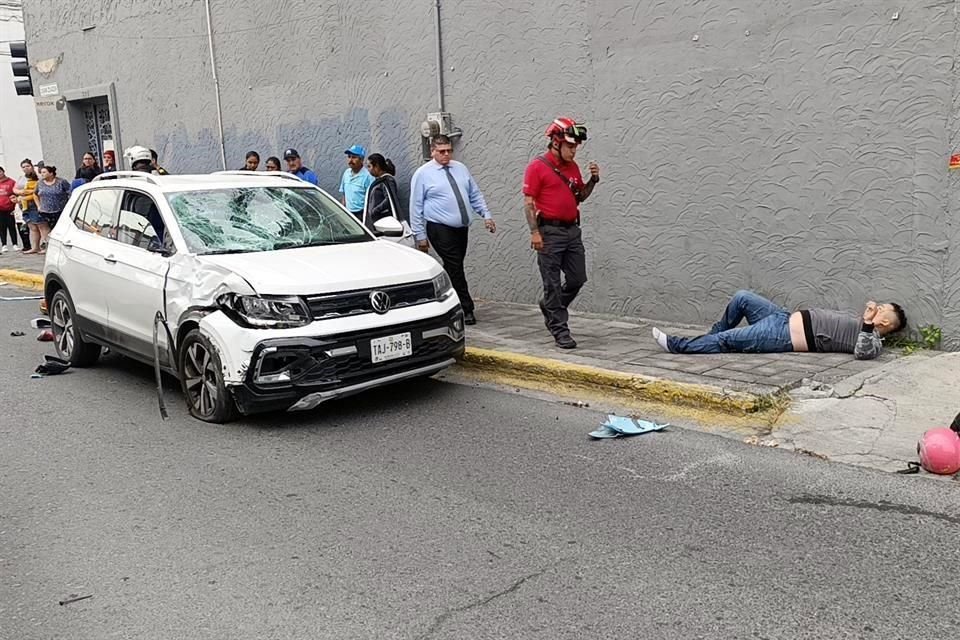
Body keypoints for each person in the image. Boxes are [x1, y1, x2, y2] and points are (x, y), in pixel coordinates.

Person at [651, 290, 907, 360]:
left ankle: (679, 346)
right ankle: (709, 340)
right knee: (742, 297)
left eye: (882, 308)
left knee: (729, 340)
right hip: (781, 317)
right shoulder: (864, 326)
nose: (877, 307)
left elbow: (862, 353)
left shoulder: (873, 341)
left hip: (781, 335)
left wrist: (865, 322)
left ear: (884, 321)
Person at [523, 117, 600, 349]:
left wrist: (593, 180)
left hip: (572, 231)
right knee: (552, 283)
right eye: (570, 145)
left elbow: (580, 197)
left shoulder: (573, 167)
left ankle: (550, 306)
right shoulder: (537, 167)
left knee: (577, 278)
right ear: (556, 142)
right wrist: (534, 233)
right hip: (549, 231)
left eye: (576, 146)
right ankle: (560, 329)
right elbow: (528, 203)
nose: (574, 150)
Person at [410, 135, 496, 325]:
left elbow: (474, 193)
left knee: (452, 267)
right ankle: (466, 308)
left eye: (449, 150)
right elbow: (415, 206)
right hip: (439, 227)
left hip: (461, 228)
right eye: (442, 151)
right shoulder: (423, 174)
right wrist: (420, 235)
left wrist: (486, 215)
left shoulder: (460, 168)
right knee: (455, 265)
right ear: (432, 151)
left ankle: (438, 300)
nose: (446, 154)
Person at [34, 165, 71, 254]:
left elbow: (70, 192)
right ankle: (47, 247)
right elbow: (35, 194)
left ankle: (59, 247)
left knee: (58, 230)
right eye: (41, 172)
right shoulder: (40, 183)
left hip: (59, 209)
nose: (42, 174)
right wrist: (38, 205)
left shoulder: (61, 182)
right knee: (45, 229)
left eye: (44, 172)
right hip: (44, 210)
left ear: (51, 173)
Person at [364, 153, 404, 227]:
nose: (368, 170)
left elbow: (390, 199)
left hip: (384, 222)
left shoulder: (387, 181)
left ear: (376, 166)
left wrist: (375, 210)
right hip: (377, 221)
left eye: (369, 166)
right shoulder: (378, 181)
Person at [13, 159, 40, 254]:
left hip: (34, 203)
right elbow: (15, 189)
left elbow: (39, 188)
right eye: (23, 167)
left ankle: (42, 245)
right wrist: (20, 192)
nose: (26, 168)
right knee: (31, 226)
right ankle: (34, 247)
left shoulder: (38, 176)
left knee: (39, 225)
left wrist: (29, 192)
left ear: (32, 166)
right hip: (23, 204)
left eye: (27, 166)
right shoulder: (21, 178)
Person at [339, 144, 374, 218]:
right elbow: (344, 194)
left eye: (354, 157)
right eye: (349, 157)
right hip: (348, 213)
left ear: (361, 160)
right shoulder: (346, 173)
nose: (350, 160)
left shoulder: (368, 176)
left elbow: (372, 200)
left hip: (361, 214)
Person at [0, 166, 19, 252]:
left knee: (11, 226)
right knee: (1, 227)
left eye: (0, 172)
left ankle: (15, 244)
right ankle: (4, 245)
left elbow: (16, 193)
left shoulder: (11, 182)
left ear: (3, 171)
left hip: (10, 208)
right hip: (0, 209)